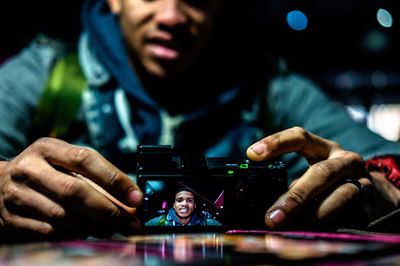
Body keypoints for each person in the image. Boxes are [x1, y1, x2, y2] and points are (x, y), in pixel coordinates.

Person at [0, 0, 400, 241]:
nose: (172, 15)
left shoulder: (271, 88)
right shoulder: (43, 75)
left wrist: (378, 188)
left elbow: (383, 163)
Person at [145, 187, 221, 227]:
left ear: (195, 205)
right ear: (174, 205)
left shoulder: (208, 223)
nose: (184, 204)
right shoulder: (158, 222)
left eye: (190, 200)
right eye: (179, 200)